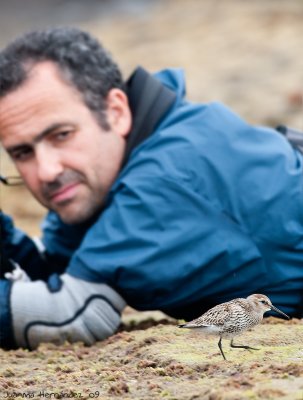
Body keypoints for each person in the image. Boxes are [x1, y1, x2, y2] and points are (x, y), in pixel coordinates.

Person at [0, 28, 302, 350]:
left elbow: (70, 313)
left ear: (115, 112)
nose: (47, 171)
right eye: (22, 153)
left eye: (61, 135)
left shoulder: (161, 182)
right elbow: (58, 270)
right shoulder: (108, 173)